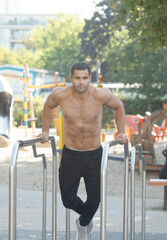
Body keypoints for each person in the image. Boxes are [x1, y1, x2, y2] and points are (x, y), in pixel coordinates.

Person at [38, 62, 127, 240]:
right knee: (67, 199)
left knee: (95, 199)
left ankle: (83, 223)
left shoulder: (100, 95)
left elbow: (118, 107)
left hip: (94, 153)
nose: (81, 82)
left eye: (85, 78)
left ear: (90, 78)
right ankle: (86, 219)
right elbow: (47, 106)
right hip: (71, 153)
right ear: (71, 78)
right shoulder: (60, 95)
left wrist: (122, 131)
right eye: (77, 78)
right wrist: (45, 131)